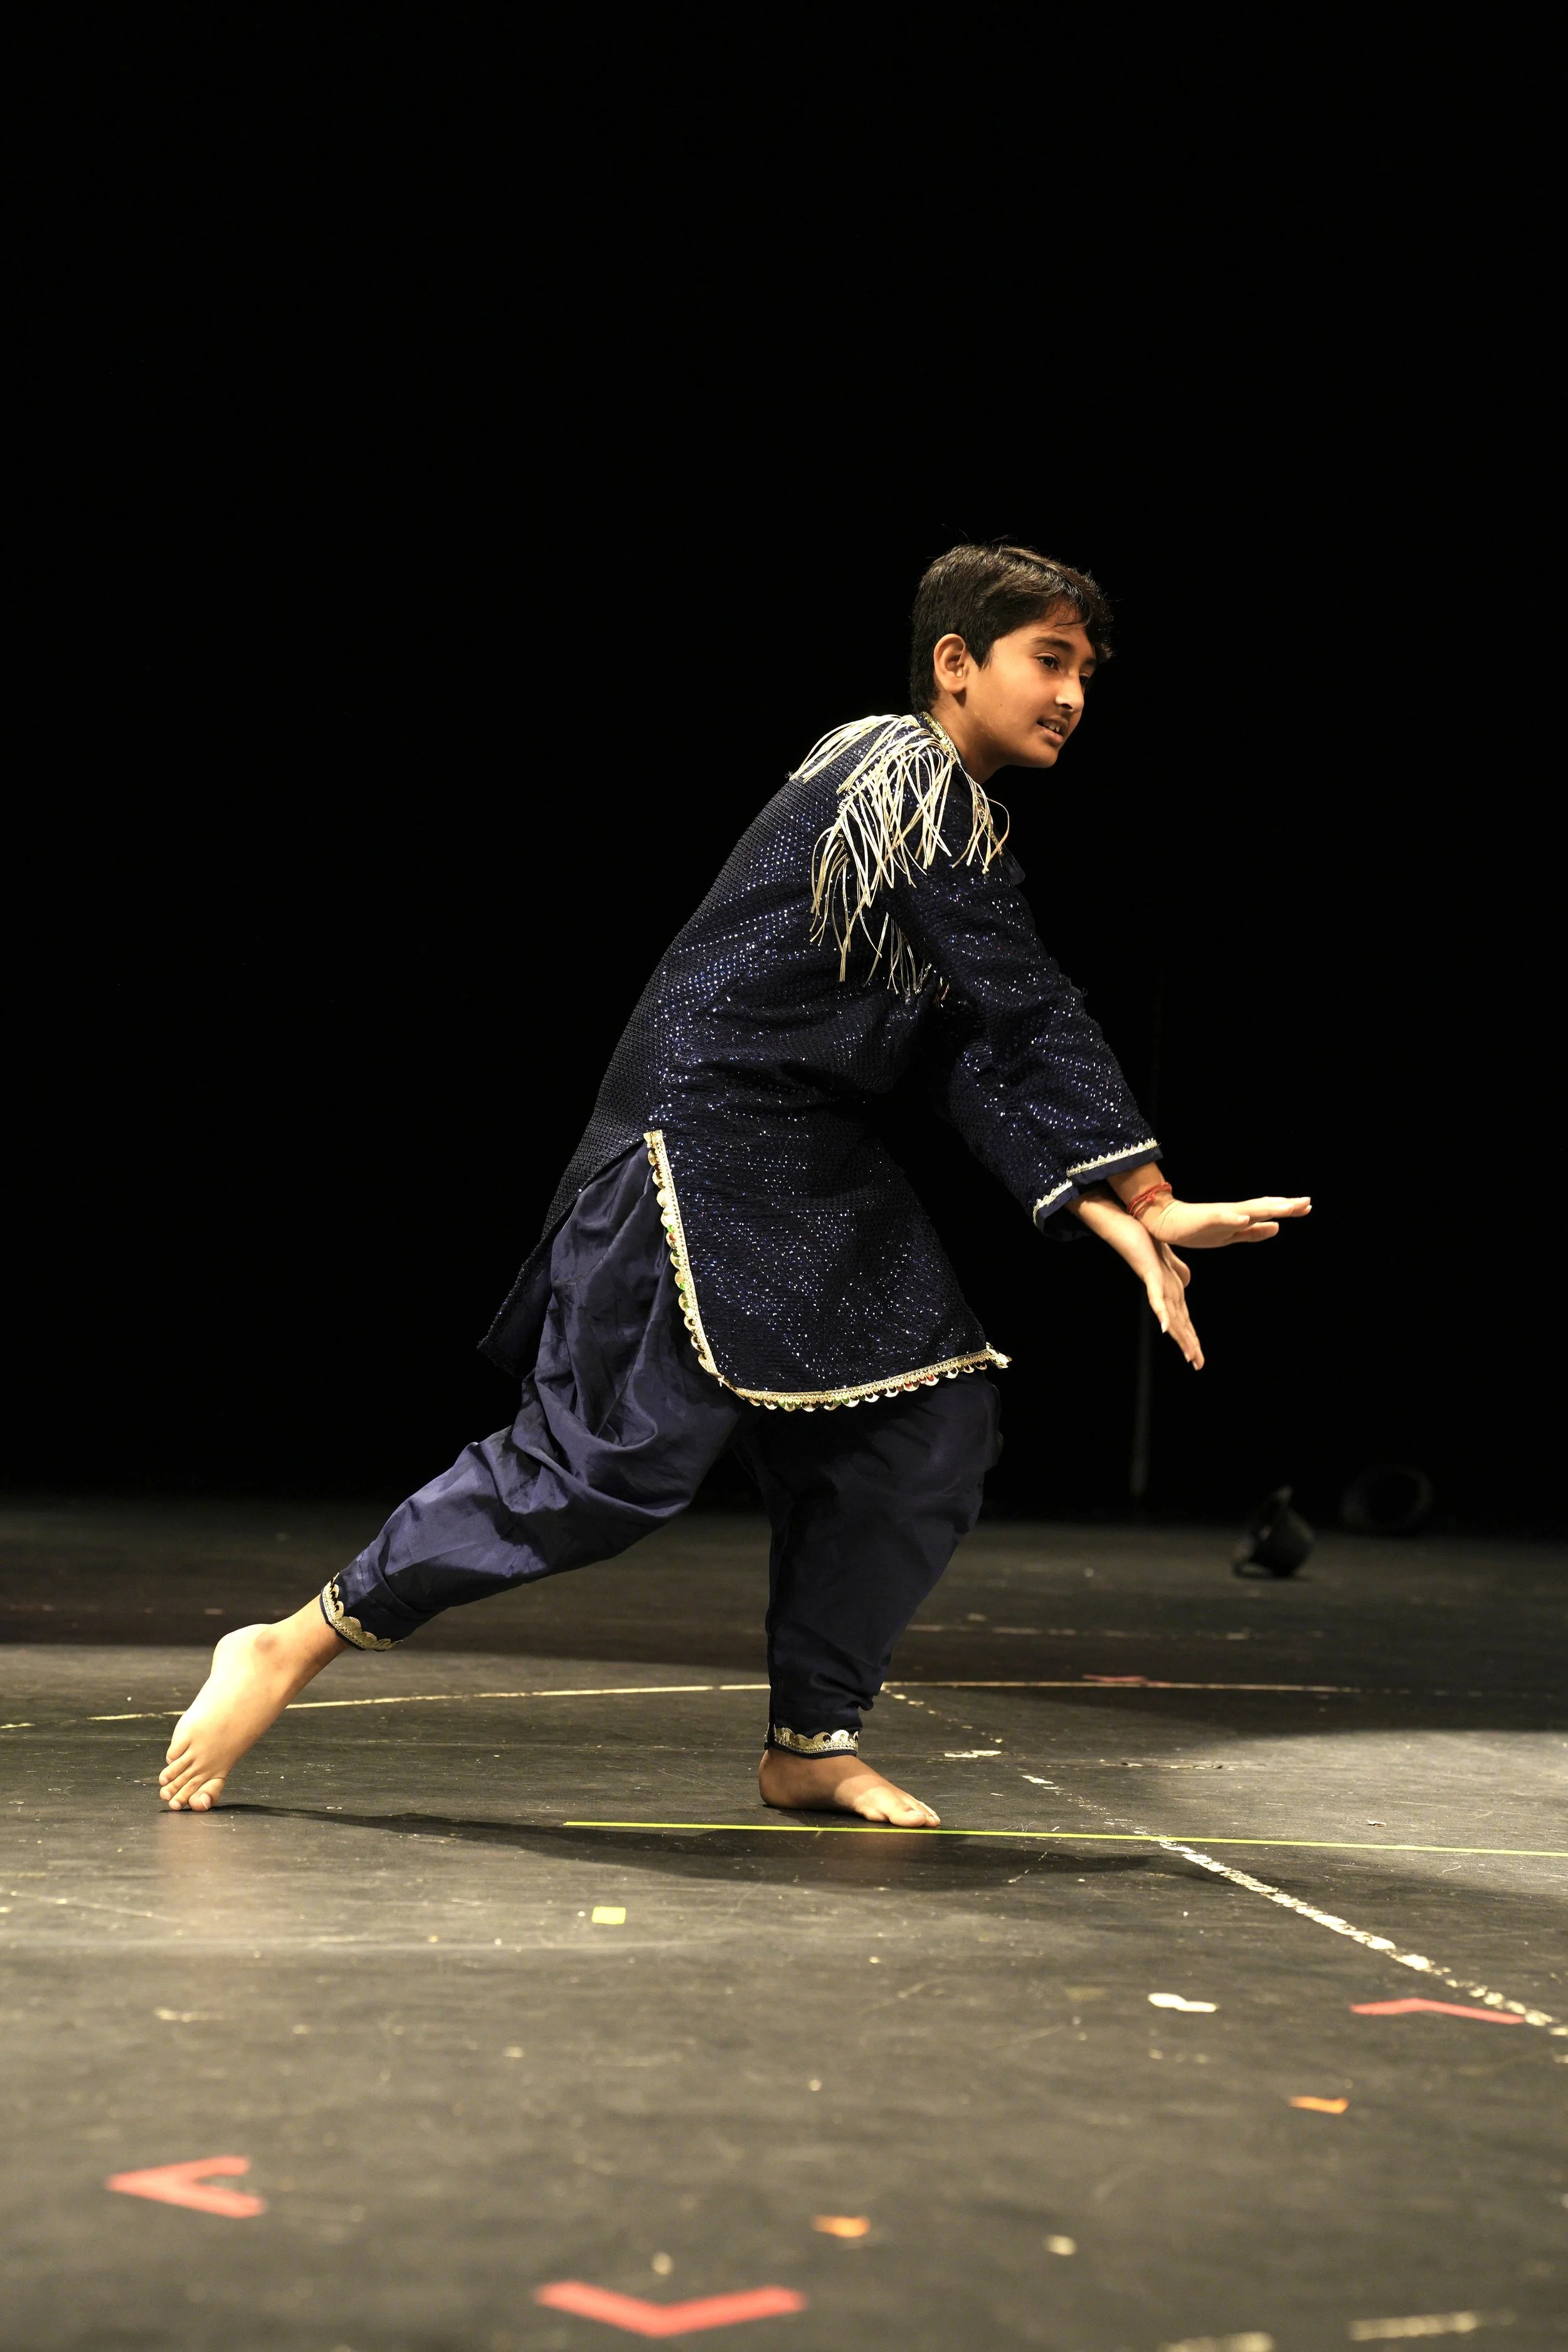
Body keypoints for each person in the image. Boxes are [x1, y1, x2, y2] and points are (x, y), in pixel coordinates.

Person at [159, 544, 1308, 1825]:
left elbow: (967, 1058)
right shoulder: (895, 774)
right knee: (613, 1466)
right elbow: (1024, 1003)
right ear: (954, 664)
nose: (1072, 695)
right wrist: (1145, 1191)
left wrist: (1112, 1212)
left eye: (1085, 671)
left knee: (921, 1433)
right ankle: (295, 1639)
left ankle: (812, 1739)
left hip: (813, 1169)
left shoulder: (951, 825)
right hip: (695, 1146)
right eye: (1047, 660)